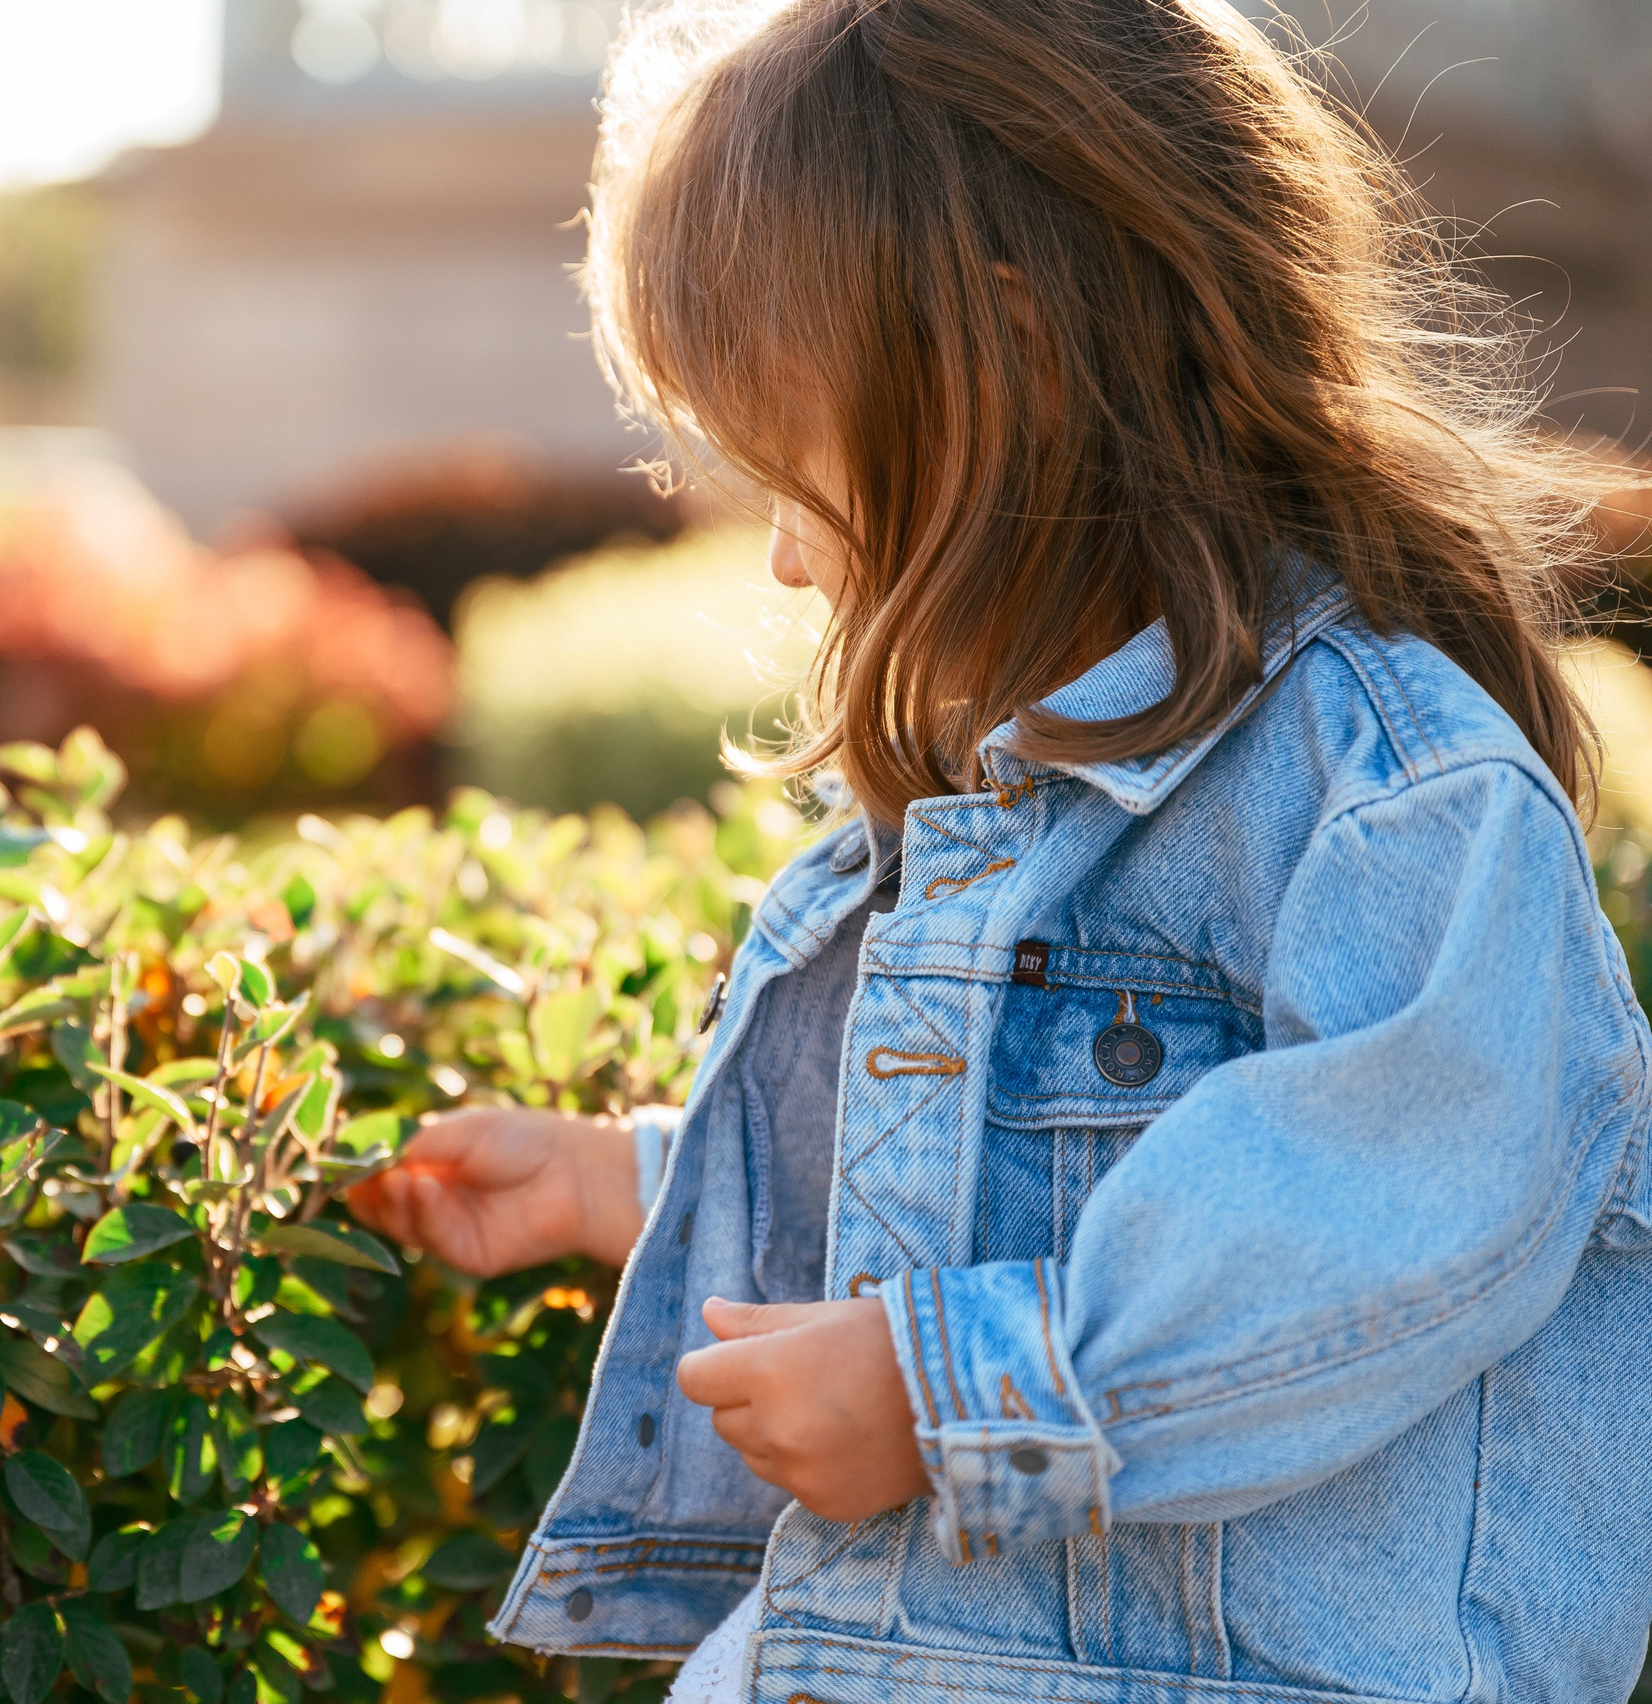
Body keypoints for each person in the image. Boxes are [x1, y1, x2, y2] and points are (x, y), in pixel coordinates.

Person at [346, 2, 1652, 1701]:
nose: (789, 563)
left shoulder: (1386, 793)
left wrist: (951, 1397)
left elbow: (1397, 1214)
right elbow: (983, 1170)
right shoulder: (1015, 777)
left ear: (1012, 362)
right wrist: (637, 1185)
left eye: (797, 473)